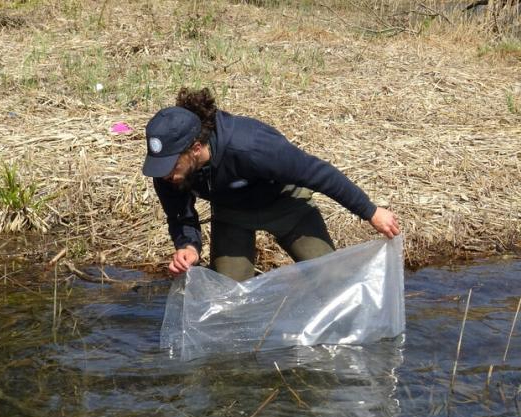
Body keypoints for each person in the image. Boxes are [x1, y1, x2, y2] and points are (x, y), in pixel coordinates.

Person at [143, 88, 400, 281]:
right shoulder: (166, 168)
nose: (164, 175)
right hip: (232, 215)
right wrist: (188, 246)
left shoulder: (251, 147)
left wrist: (370, 211)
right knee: (230, 297)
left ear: (196, 149)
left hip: (285, 205)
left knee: (331, 279)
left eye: (172, 166)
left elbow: (317, 173)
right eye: (160, 167)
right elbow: (180, 215)